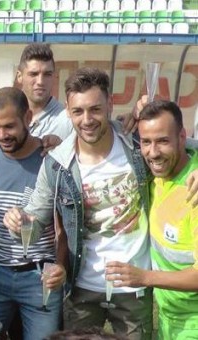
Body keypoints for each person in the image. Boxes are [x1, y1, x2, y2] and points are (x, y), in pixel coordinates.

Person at [4, 68, 153, 339]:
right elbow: (35, 225)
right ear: (68, 112)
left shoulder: (137, 146)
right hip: (81, 287)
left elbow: (181, 149)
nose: (87, 120)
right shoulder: (57, 164)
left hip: (134, 286)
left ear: (110, 105)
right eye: (78, 112)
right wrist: (19, 222)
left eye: (95, 109)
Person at [0, 87, 64, 339]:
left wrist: (61, 266)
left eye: (9, 126)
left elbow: (64, 226)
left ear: (27, 118)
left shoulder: (51, 159)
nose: (1, 135)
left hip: (40, 276)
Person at [108, 100, 198, 339]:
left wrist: (144, 277)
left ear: (182, 136)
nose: (153, 152)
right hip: (169, 319)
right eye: (146, 142)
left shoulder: (195, 192)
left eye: (163, 141)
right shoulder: (154, 176)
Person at [16, 43, 73, 140]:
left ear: (54, 76)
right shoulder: (4, 118)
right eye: (33, 74)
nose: (40, 82)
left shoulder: (68, 122)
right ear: (19, 76)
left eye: (47, 74)